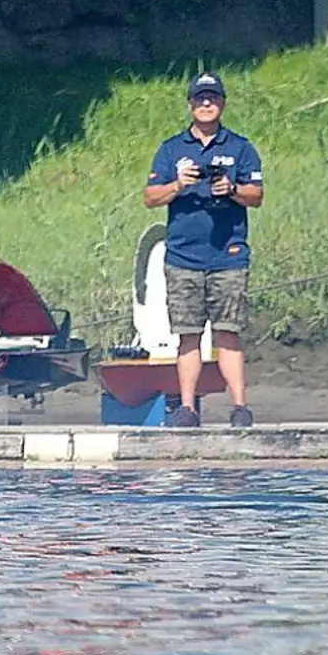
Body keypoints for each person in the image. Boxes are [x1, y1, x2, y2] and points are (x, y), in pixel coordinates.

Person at [143, 72, 264, 428]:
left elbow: (256, 195)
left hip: (229, 255)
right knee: (188, 334)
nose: (206, 104)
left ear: (222, 103)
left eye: (212, 98)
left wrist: (231, 189)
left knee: (228, 332)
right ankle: (187, 408)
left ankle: (239, 406)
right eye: (200, 98)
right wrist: (179, 184)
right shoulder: (171, 149)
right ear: (190, 104)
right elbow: (150, 197)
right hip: (183, 256)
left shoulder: (240, 148)